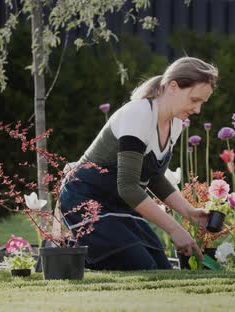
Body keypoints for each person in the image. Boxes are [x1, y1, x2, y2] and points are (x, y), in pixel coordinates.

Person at [59, 57, 218, 270]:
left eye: (201, 103)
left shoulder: (176, 124)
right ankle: (67, 246)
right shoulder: (139, 113)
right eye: (194, 100)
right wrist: (175, 229)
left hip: (118, 206)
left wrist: (189, 212)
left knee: (162, 270)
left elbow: (153, 176)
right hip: (86, 202)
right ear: (173, 87)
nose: (197, 110)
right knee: (143, 268)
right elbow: (128, 186)